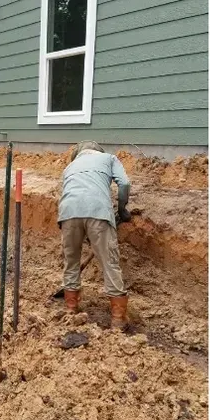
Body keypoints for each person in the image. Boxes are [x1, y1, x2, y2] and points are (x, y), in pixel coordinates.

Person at [58, 141, 132, 329]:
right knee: (109, 263)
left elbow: (67, 191)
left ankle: (70, 308)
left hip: (68, 213)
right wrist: (122, 209)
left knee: (71, 260)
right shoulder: (108, 158)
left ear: (78, 154)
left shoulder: (69, 167)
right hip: (98, 212)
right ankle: (118, 318)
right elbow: (124, 183)